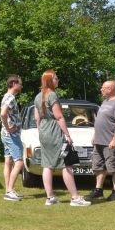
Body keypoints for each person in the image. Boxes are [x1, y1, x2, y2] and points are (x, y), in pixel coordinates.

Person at [33, 70, 91, 207]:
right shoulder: (52, 95)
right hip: (54, 132)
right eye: (56, 78)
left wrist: (41, 130)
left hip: (44, 131)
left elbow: (37, 118)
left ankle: (50, 197)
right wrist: (67, 135)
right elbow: (59, 117)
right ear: (49, 80)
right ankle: (75, 198)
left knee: (47, 165)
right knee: (66, 164)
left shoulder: (38, 96)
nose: (58, 80)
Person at [86, 80, 115, 202]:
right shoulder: (105, 102)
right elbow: (100, 121)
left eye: (104, 88)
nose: (101, 90)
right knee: (99, 167)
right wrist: (95, 136)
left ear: (111, 89)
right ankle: (98, 190)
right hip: (99, 140)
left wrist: (114, 140)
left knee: (113, 167)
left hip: (110, 142)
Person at [0, 74, 25, 201]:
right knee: (19, 161)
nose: (21, 86)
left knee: (8, 162)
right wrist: (8, 127)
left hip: (6, 134)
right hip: (11, 135)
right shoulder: (10, 98)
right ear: (14, 84)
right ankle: (9, 191)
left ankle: (8, 190)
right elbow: (3, 113)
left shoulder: (7, 96)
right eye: (20, 83)